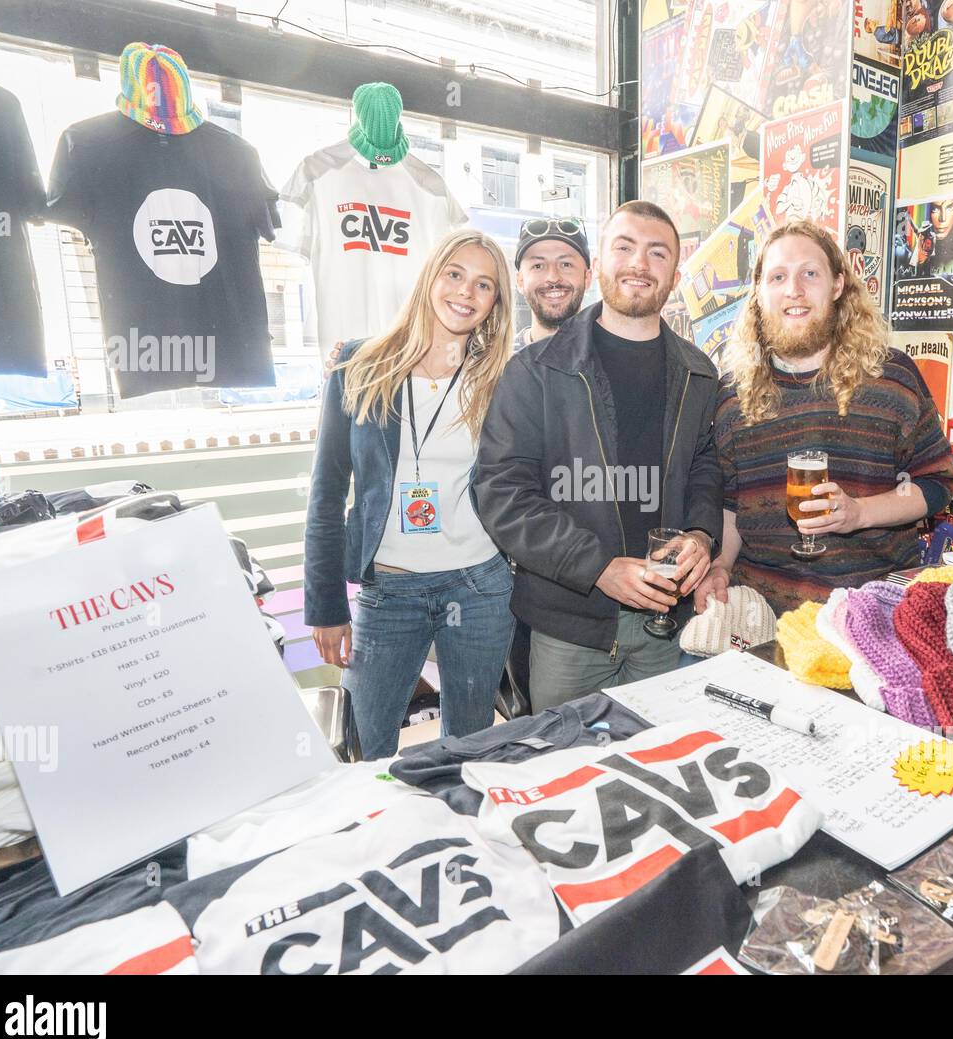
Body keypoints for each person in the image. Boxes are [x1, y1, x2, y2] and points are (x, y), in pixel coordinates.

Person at [475, 200, 722, 711]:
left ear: (674, 275)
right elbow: (501, 493)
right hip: (571, 624)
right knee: (562, 767)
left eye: (657, 253)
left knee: (660, 764)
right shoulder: (536, 371)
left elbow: (705, 466)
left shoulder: (699, 373)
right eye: (624, 247)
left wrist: (701, 534)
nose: (639, 263)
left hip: (665, 622)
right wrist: (599, 566)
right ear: (600, 266)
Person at [304, 229, 517, 759]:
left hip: (479, 586)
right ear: (430, 276)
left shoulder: (500, 379)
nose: (465, 292)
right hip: (389, 591)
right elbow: (328, 492)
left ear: (494, 303)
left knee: (469, 752)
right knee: (363, 749)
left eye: (484, 284)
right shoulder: (358, 365)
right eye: (455, 274)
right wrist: (325, 605)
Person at [694, 219, 953, 616]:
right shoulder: (733, 393)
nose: (793, 290)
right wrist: (720, 566)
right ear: (759, 293)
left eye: (810, 273)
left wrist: (860, 513)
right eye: (778, 276)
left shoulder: (891, 378)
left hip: (869, 612)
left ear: (837, 285)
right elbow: (733, 505)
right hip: (760, 619)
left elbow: (936, 484)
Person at [513, 217, 592, 351]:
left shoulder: (613, 358)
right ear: (520, 281)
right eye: (538, 266)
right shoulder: (497, 364)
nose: (553, 277)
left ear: (587, 278)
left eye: (566, 264)